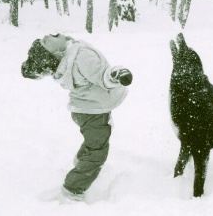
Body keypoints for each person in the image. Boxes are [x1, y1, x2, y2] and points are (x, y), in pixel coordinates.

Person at [21, 33, 132, 202]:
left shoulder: (69, 58)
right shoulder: (79, 56)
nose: (50, 34)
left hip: (83, 110)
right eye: (46, 41)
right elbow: (102, 77)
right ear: (55, 53)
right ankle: (72, 189)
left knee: (94, 143)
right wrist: (115, 75)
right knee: (97, 153)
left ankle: (82, 161)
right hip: (94, 113)